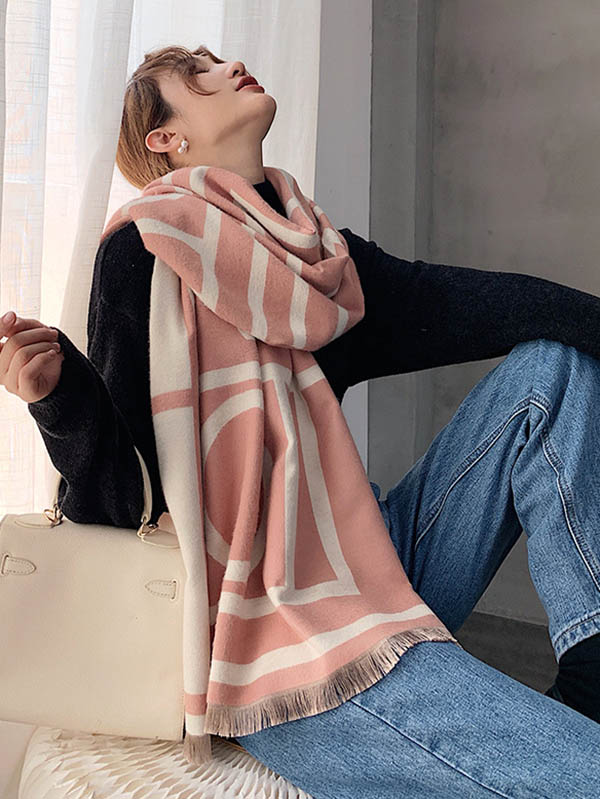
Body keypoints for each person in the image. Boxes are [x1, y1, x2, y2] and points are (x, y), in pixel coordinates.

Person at [3, 43, 600, 797]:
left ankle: (592, 672)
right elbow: (124, 501)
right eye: (198, 74)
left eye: (219, 60)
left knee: (554, 369)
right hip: (265, 633)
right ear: (167, 138)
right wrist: (60, 400)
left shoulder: (319, 259)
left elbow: (480, 302)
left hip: (370, 564)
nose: (228, 68)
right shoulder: (142, 252)